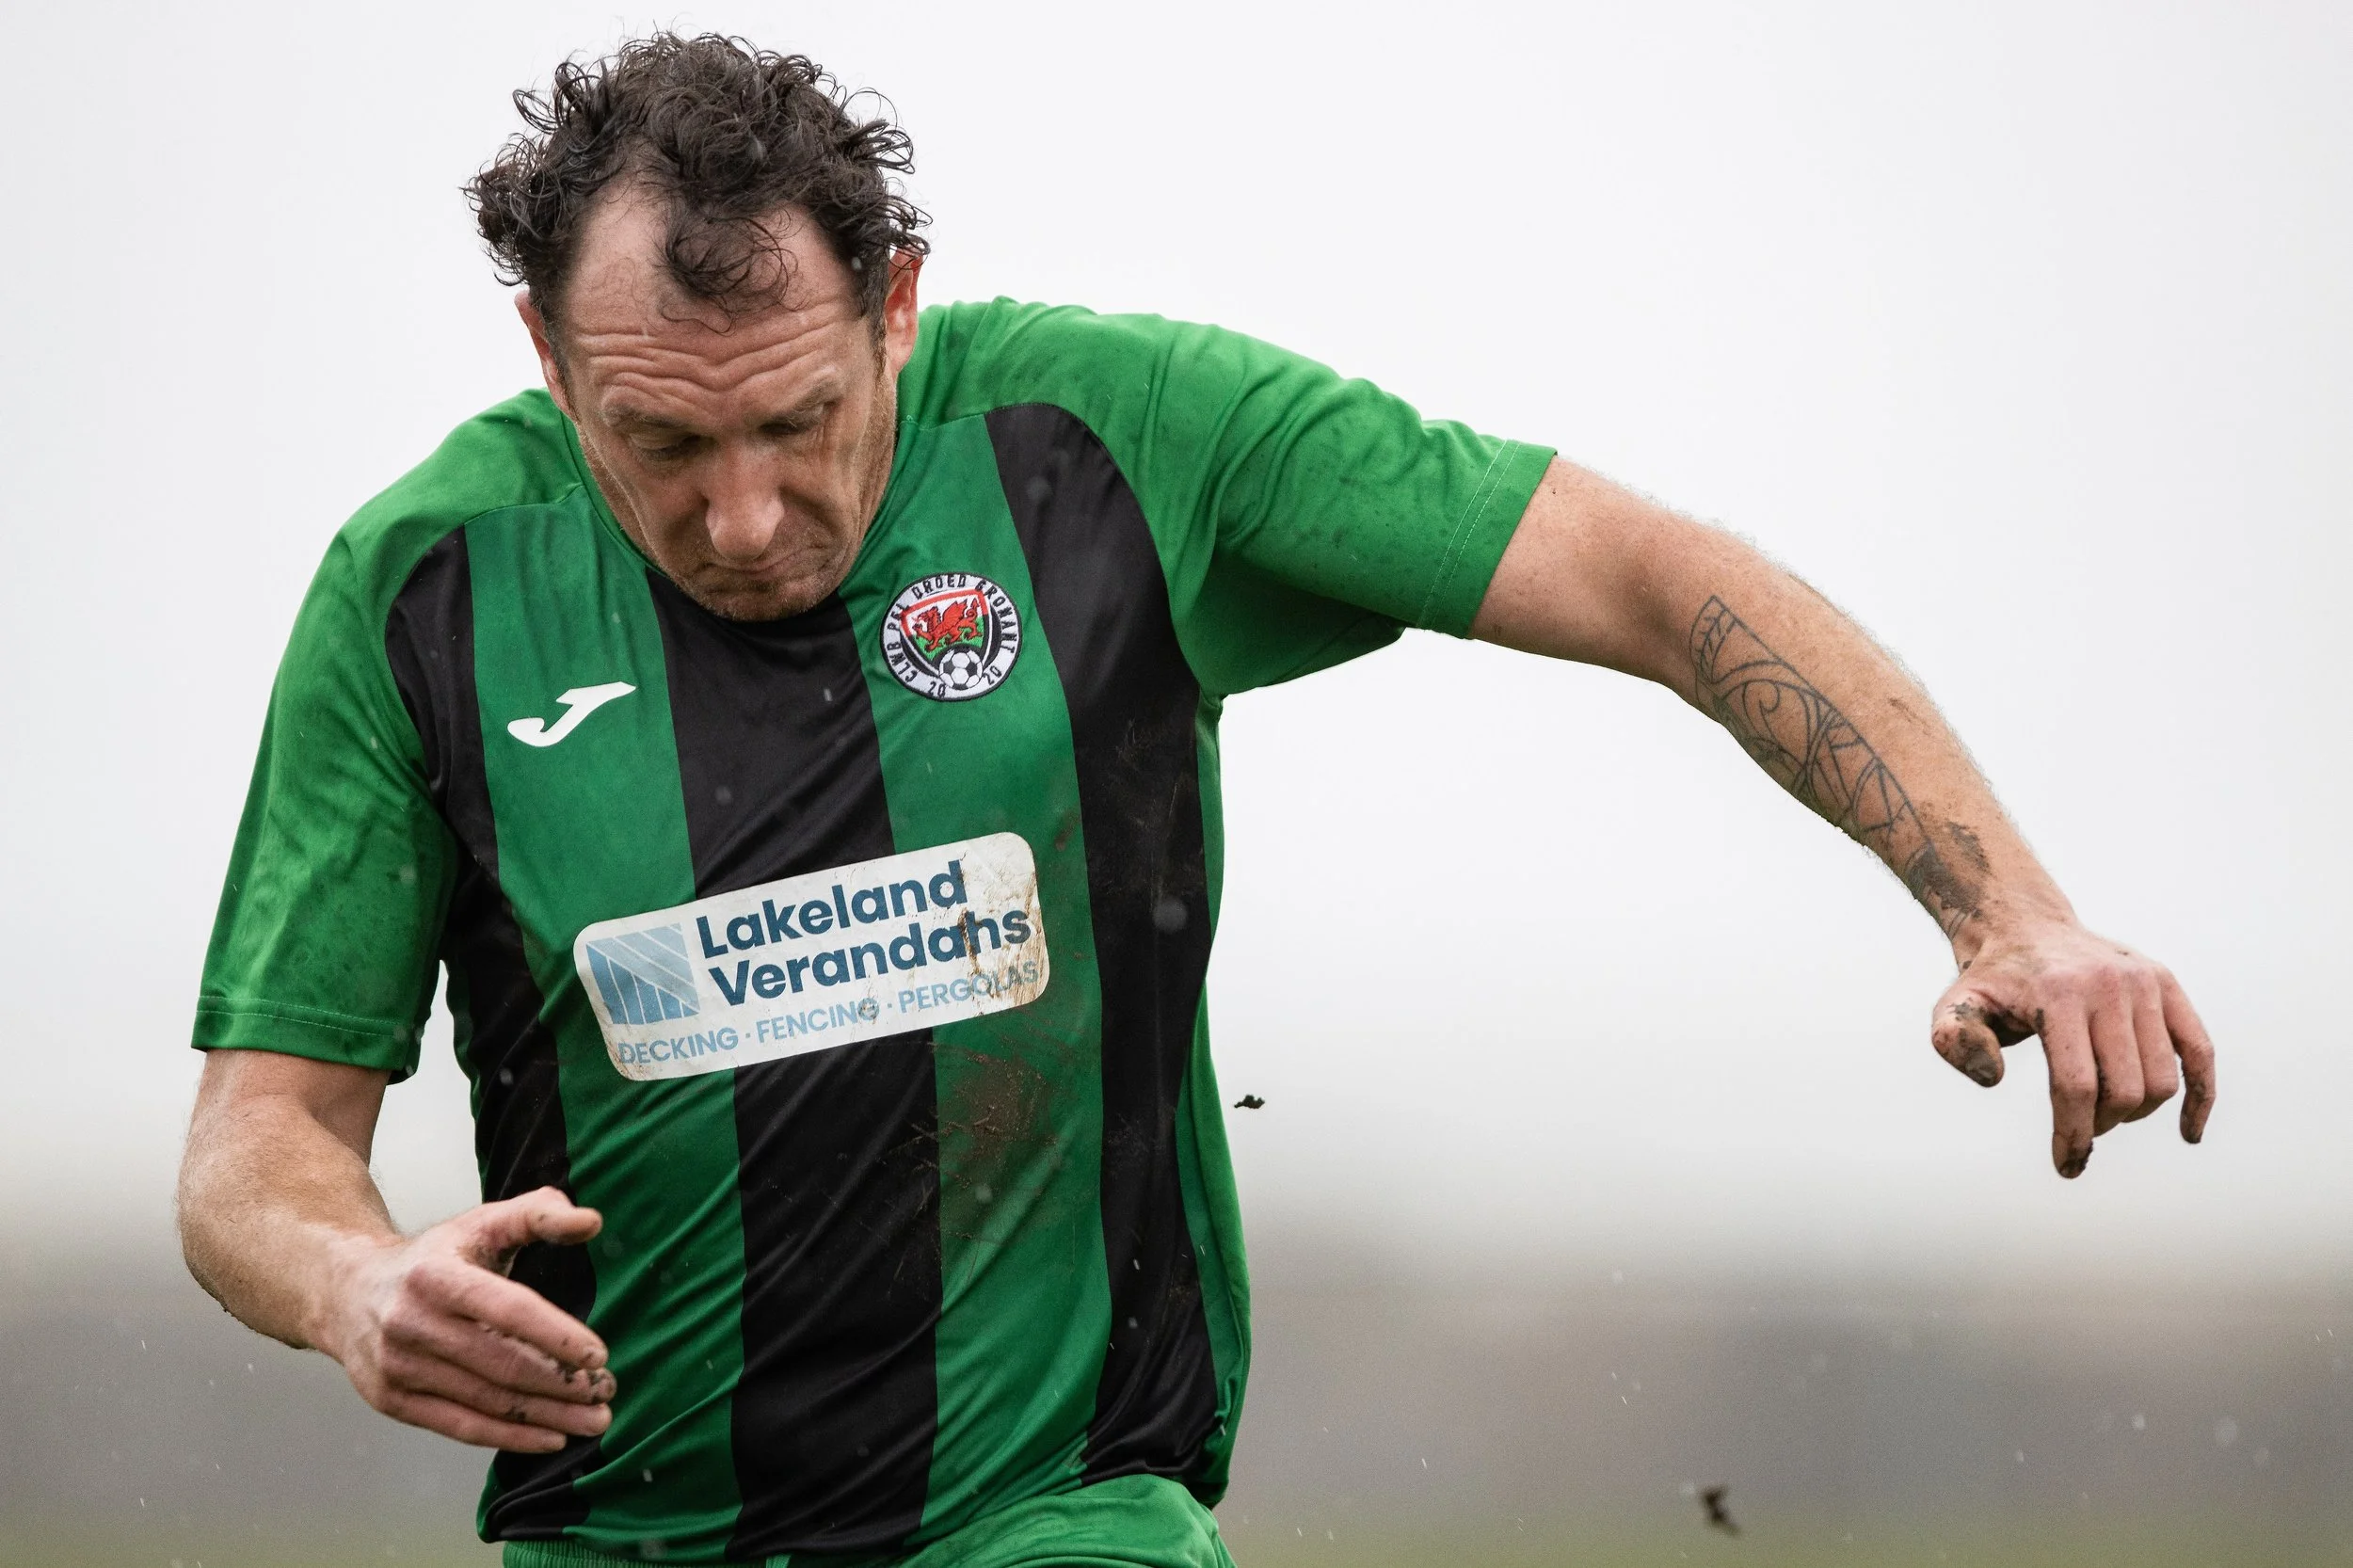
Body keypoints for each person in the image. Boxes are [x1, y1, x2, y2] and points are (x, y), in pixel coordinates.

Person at [175, 32, 2217, 1568]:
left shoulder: (1114, 441)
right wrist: (354, 1276)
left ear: (892, 304)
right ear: (545, 350)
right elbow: (258, 1142)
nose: (744, 509)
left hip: (1052, 1510)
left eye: (799, 421)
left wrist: (2005, 906)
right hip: (613, 1531)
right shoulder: (421, 589)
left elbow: (1652, 577)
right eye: (658, 444)